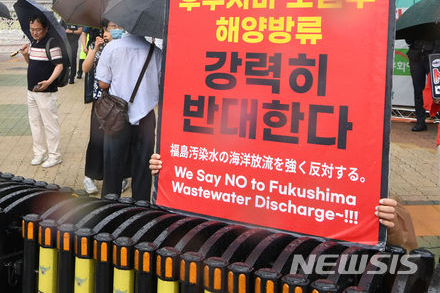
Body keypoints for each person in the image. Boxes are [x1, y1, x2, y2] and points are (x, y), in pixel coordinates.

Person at [149, 154, 418, 250]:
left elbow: (407, 250)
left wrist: (390, 225)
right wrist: (168, 170)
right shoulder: (230, 162)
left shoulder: (356, 179)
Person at [95, 28, 162, 200]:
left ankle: (110, 211)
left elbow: (103, 83)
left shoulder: (112, 48)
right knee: (143, 170)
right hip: (146, 118)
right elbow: (162, 84)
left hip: (117, 117)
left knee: (112, 168)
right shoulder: (156, 52)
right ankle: (141, 212)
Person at [81, 20, 130, 194]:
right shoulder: (96, 44)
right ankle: (90, 176)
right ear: (104, 29)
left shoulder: (124, 47)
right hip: (100, 101)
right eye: (112, 27)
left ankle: (121, 176)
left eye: (118, 26)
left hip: (118, 101)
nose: (116, 29)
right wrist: (94, 49)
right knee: (96, 138)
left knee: (119, 138)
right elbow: (85, 68)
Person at [20, 13, 64, 168]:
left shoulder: (52, 43)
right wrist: (26, 55)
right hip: (31, 90)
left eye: (38, 29)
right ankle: (39, 153)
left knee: (50, 123)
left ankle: (55, 155)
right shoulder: (33, 42)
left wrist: (49, 81)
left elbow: (59, 65)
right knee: (35, 123)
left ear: (45, 28)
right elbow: (31, 62)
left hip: (46, 91)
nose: (34, 32)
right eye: (32, 29)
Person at [407, 39, 440, 131]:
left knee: (437, 89)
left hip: (433, 57)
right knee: (418, 91)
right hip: (415, 57)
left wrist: (436, 52)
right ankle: (420, 122)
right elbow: (408, 40)